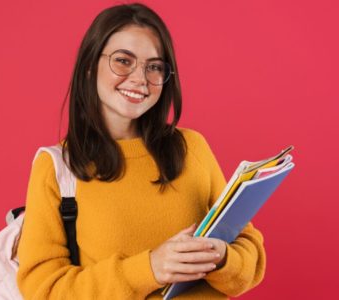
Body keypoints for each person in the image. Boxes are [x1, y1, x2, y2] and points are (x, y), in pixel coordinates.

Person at [17, 3, 265, 299]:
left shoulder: (191, 148)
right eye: (123, 61)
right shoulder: (57, 167)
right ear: (89, 66)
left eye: (154, 66)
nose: (140, 78)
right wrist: (150, 268)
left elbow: (248, 251)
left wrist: (222, 256)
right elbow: (43, 289)